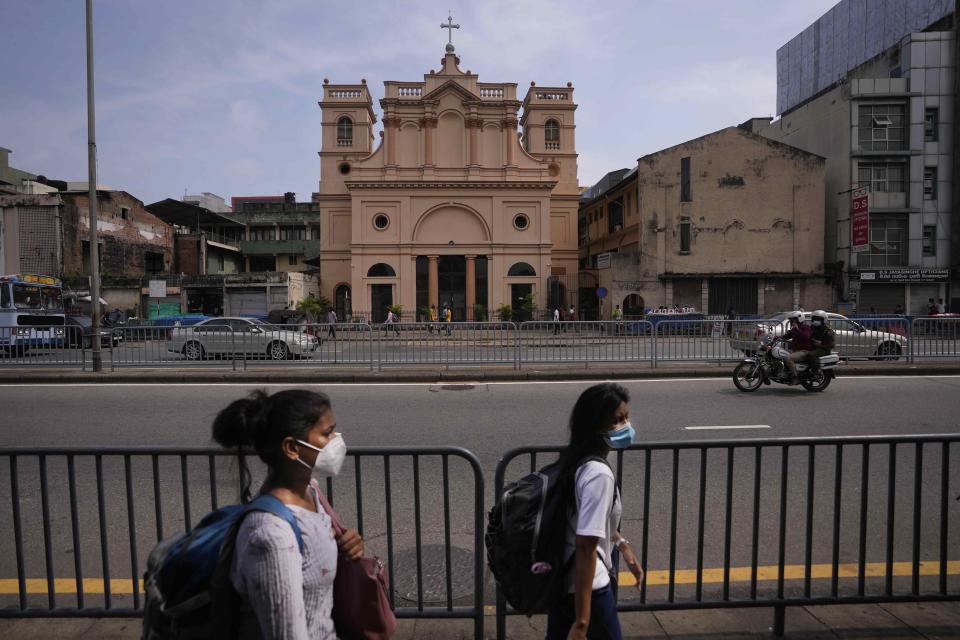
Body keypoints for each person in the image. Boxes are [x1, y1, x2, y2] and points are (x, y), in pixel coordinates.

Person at [211, 389, 363, 639]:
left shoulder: (311, 491)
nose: (336, 439)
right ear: (292, 448)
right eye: (326, 433)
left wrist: (346, 547)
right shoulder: (270, 537)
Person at [546, 383, 644, 640]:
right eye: (617, 420)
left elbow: (589, 521)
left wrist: (623, 547)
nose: (626, 426)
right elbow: (586, 546)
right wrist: (582, 621)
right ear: (595, 425)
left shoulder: (576, 458)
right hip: (589, 589)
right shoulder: (598, 473)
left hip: (564, 581)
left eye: (626, 417)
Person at [782, 310, 813, 385]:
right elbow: (786, 336)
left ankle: (795, 377)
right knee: (781, 355)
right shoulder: (794, 329)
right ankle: (786, 374)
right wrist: (776, 337)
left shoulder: (806, 327)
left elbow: (806, 336)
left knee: (788, 358)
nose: (792, 322)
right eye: (791, 321)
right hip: (795, 351)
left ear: (799, 319)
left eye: (793, 320)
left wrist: (797, 329)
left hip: (804, 351)